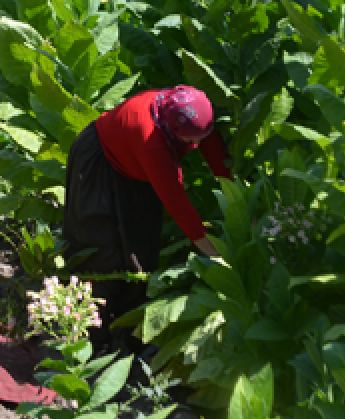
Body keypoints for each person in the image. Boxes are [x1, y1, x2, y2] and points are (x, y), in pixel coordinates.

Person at [62, 85, 232, 349]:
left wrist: (240, 205)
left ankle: (127, 335)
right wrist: (215, 256)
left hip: (134, 170)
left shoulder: (191, 112)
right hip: (100, 163)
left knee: (141, 250)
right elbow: (179, 206)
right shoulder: (150, 140)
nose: (195, 147)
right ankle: (89, 338)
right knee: (101, 255)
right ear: (173, 129)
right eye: (189, 142)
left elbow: (217, 157)